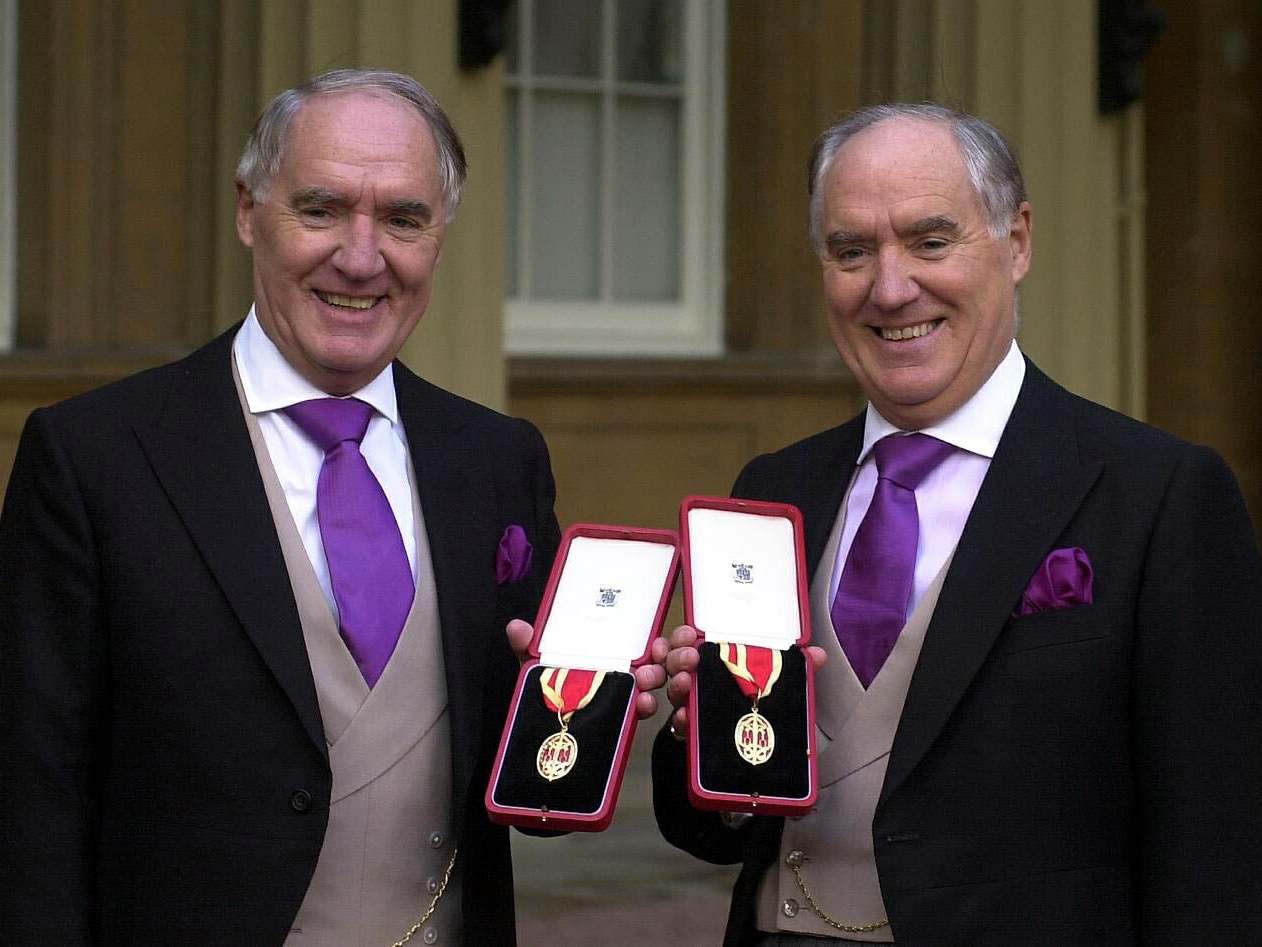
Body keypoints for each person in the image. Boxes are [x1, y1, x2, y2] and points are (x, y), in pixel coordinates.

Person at [651, 104, 1262, 945]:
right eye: (851, 250)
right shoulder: (776, 486)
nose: (890, 286)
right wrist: (700, 727)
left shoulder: (1157, 495)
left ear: (1016, 243)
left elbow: (1215, 843)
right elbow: (713, 829)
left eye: (931, 241)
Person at [0, 69, 563, 945]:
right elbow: (31, 791)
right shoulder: (93, 457)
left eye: (404, 218)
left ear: (440, 237)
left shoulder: (497, 460)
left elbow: (530, 777)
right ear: (248, 210)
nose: (362, 256)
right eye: (323, 208)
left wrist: (594, 711)